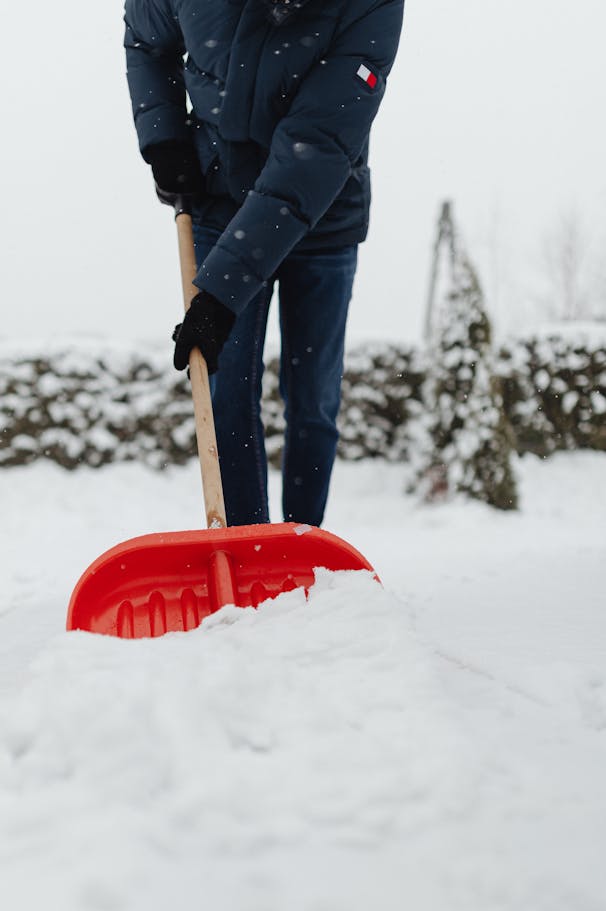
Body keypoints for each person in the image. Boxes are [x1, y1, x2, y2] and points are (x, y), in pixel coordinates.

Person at [124, 0, 404, 526]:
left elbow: (314, 145)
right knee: (225, 392)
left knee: (313, 401)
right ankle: (250, 551)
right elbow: (146, 39)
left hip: (322, 210)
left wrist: (221, 293)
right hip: (218, 197)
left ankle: (302, 549)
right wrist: (163, 139)